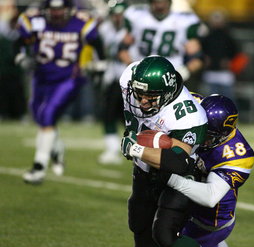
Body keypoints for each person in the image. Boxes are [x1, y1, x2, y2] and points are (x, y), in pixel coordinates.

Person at [119, 55, 212, 247]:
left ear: (167, 92)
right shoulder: (129, 78)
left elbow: (178, 161)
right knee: (144, 246)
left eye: (150, 97)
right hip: (144, 169)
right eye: (139, 93)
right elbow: (133, 116)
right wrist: (134, 136)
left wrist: (135, 147)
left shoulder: (188, 115)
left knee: (165, 234)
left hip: (180, 175)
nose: (142, 101)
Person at [149, 94, 254, 247]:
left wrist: (170, 178)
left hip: (209, 219)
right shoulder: (195, 103)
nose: (200, 136)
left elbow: (210, 197)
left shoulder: (238, 155)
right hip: (188, 199)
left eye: (207, 135)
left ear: (222, 135)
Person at [16, 0, 105, 184]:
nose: (56, 13)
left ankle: (38, 167)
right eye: (53, 9)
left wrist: (101, 65)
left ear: (69, 10)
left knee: (48, 114)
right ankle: (57, 149)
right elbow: (19, 42)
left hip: (68, 78)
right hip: (41, 76)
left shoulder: (81, 22)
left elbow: (97, 43)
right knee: (39, 116)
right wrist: (21, 58)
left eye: (60, 9)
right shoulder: (36, 21)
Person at [118, 0, 205, 83]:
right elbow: (122, 48)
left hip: (171, 73)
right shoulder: (138, 17)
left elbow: (197, 57)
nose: (160, 6)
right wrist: (132, 67)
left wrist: (184, 71)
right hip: (141, 72)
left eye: (163, 2)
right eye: (157, 2)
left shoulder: (183, 21)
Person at [97, 1, 130, 165]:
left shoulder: (133, 29)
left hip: (132, 79)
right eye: (115, 14)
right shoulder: (105, 29)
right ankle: (111, 149)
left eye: (121, 14)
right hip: (112, 76)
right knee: (108, 113)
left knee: (132, 117)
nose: (118, 18)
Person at [201, 11, 239, 103]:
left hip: (225, 74)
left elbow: (236, 53)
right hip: (210, 73)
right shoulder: (206, 37)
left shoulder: (228, 37)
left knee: (228, 102)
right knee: (208, 103)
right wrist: (204, 59)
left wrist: (230, 62)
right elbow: (201, 52)